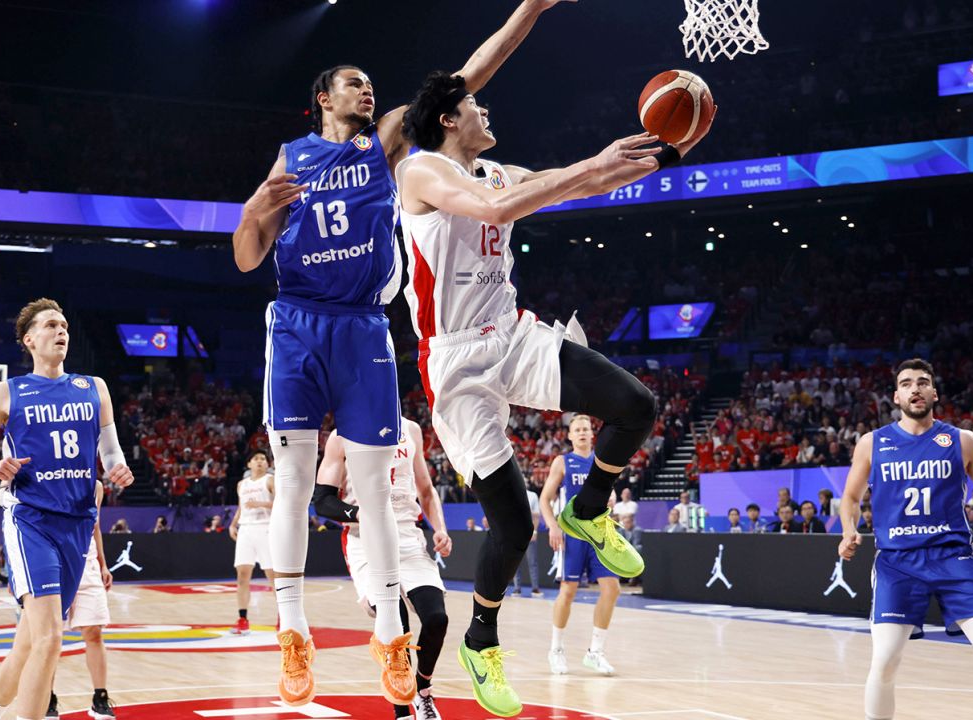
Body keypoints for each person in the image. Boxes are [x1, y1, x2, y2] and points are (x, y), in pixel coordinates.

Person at [231, 1, 575, 705]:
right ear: (323, 98)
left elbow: (465, 76)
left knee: (377, 492)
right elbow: (245, 258)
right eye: (354, 84)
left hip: (361, 326)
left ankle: (391, 631)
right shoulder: (291, 160)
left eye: (370, 85)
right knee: (295, 484)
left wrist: (529, 10)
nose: (368, 91)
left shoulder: (384, 142)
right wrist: (252, 210)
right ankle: (290, 632)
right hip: (297, 322)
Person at [394, 61, 711, 716]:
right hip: (454, 364)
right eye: (476, 105)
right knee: (510, 522)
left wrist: (667, 151)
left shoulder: (501, 172)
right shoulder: (420, 170)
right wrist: (587, 166)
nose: (488, 112)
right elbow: (496, 207)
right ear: (450, 119)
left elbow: (585, 180)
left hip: (510, 334)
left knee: (636, 405)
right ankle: (481, 640)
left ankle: (588, 508)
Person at [839, 358, 973, 720]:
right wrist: (848, 528)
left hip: (954, 558)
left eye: (922, 382)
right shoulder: (873, 443)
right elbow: (851, 498)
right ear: (896, 397)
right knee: (884, 661)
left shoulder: (962, 441)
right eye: (906, 383)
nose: (915, 388)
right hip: (897, 563)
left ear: (934, 392)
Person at [0, 298, 133, 720]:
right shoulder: (7, 392)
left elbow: (110, 452)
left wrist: (118, 470)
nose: (62, 332)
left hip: (77, 524)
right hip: (31, 521)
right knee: (50, 640)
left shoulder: (93, 387)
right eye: (52, 325)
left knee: (27, 644)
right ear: (30, 339)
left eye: (65, 326)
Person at [314, 417, 452, 720]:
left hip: (407, 535)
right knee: (396, 622)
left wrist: (439, 528)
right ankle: (401, 712)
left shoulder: (411, 430)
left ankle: (423, 691)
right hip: (365, 538)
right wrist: (360, 512)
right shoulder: (341, 437)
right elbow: (322, 502)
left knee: (437, 618)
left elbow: (426, 490)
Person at [539, 415, 620, 678]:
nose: (583, 432)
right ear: (570, 436)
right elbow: (545, 499)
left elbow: (612, 494)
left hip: (598, 534)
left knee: (612, 588)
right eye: (577, 429)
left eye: (586, 428)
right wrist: (552, 525)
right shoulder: (562, 462)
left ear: (592, 434)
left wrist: (612, 501)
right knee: (568, 590)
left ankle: (595, 652)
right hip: (572, 534)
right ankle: (556, 649)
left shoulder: (602, 460)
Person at [46, 480, 117, 720]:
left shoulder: (95, 486)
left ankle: (100, 698)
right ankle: (47, 697)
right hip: (52, 563)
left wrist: (103, 564)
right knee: (50, 637)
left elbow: (95, 527)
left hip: (87, 563)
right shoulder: (47, 476)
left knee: (94, 632)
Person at [229, 450, 275, 635]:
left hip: (266, 527)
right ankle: (242, 619)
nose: (260, 462)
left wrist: (261, 504)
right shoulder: (242, 484)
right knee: (242, 576)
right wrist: (232, 524)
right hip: (246, 529)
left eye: (263, 459)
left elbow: (282, 502)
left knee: (273, 576)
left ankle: (284, 619)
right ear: (249, 464)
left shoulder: (270, 480)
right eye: (256, 459)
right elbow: (241, 507)